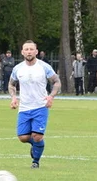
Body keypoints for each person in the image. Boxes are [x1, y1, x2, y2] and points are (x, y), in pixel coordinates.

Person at [9, 40, 60, 168]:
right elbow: (11, 84)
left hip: (40, 106)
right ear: (22, 52)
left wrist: (51, 96)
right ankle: (36, 145)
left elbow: (56, 81)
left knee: (37, 136)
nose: (29, 52)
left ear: (36, 51)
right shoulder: (18, 69)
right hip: (24, 107)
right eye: (26, 49)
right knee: (23, 137)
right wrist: (14, 97)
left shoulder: (44, 67)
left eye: (31, 49)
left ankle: (35, 161)